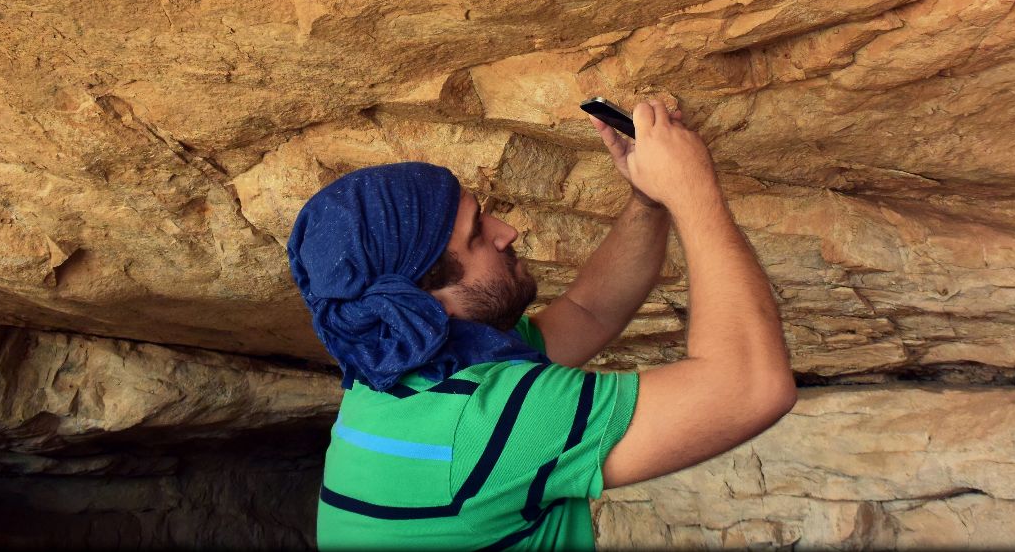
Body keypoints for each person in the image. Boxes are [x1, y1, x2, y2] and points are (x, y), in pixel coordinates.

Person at [287, 98, 797, 550]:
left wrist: (649, 199)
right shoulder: (485, 425)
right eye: (477, 234)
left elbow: (587, 312)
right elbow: (750, 388)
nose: (506, 231)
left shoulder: (397, 367)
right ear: (422, 297)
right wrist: (692, 189)